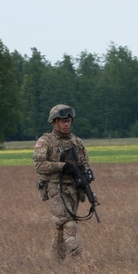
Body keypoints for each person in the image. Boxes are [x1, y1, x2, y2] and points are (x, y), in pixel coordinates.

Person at [33, 105, 97, 260]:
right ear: (54, 122)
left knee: (61, 227)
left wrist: (87, 178)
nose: (66, 124)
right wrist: (62, 166)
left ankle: (55, 263)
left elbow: (84, 164)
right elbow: (39, 166)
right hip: (54, 187)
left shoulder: (77, 142)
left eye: (68, 121)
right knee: (69, 222)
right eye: (63, 121)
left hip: (73, 189)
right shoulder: (45, 141)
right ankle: (79, 259)